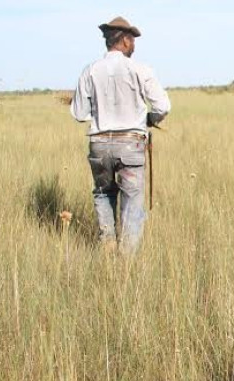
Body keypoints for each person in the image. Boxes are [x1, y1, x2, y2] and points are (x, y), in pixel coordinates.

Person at [70, 16, 171, 255]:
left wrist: (100, 112)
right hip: (130, 145)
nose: (134, 45)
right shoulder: (140, 69)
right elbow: (163, 106)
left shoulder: (90, 70)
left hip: (99, 144)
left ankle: (107, 247)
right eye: (133, 40)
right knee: (132, 200)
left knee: (103, 193)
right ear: (125, 41)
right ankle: (127, 260)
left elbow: (78, 112)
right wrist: (150, 120)